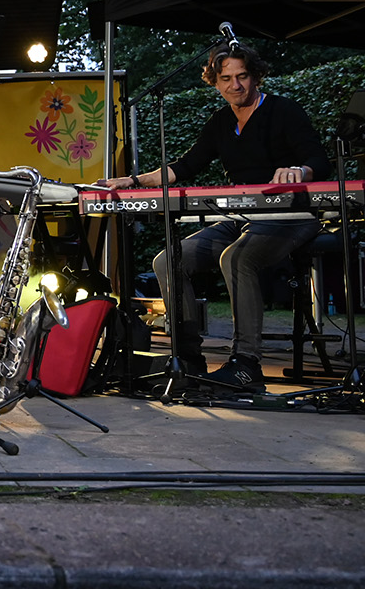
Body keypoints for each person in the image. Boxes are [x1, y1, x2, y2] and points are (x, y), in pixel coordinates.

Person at [96, 43, 328, 390]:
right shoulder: (221, 121)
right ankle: (189, 358)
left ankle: (247, 364)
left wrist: (298, 169)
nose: (236, 85)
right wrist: (131, 181)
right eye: (227, 79)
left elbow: (319, 161)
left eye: (242, 76)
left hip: (292, 216)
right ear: (215, 83)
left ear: (255, 77)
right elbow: (185, 167)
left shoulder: (284, 111)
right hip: (243, 217)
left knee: (235, 258)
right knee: (168, 260)